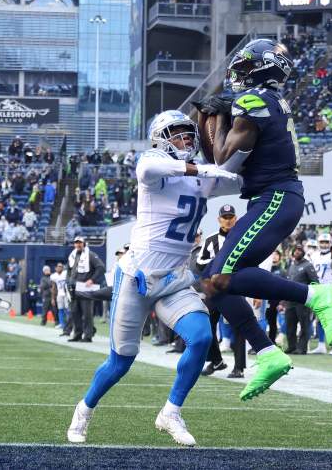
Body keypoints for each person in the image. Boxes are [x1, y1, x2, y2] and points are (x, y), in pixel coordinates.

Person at [68, 110, 241, 446]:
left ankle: (171, 412)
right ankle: (84, 409)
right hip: (137, 277)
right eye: (177, 133)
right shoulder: (155, 165)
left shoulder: (200, 176)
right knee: (120, 362)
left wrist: (239, 145)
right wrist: (202, 168)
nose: (186, 138)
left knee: (201, 338)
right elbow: (147, 168)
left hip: (174, 278)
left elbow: (236, 177)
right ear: (161, 139)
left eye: (189, 133)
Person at [197, 39, 332, 400]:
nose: (239, 74)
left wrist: (216, 117)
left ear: (262, 69)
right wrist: (214, 117)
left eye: (246, 67)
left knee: (219, 276)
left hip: (276, 198)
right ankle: (267, 353)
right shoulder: (267, 99)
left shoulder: (254, 101)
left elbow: (222, 160)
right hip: (272, 199)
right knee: (213, 283)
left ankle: (314, 294)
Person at [198, 205, 237, 377]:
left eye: (230, 217)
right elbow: (199, 263)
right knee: (206, 324)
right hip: (214, 290)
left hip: (236, 287)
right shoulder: (211, 239)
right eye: (225, 217)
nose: (228, 220)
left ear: (235, 218)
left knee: (239, 327)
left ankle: (239, 367)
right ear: (219, 219)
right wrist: (215, 266)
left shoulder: (242, 237)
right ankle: (216, 361)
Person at [66, 236, 103, 343]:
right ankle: (77, 334)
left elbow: (101, 267)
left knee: (87, 313)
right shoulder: (72, 255)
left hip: (85, 288)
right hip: (74, 288)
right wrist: (68, 280)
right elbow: (69, 270)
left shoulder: (90, 255)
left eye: (80, 243)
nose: (78, 244)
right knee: (74, 312)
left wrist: (92, 279)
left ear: (84, 244)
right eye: (76, 243)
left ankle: (88, 335)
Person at [285, 245, 318, 354]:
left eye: (300, 250)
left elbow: (315, 282)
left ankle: (302, 348)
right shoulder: (291, 265)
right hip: (290, 300)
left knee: (304, 325)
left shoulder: (308, 265)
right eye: (295, 250)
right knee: (290, 325)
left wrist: (312, 298)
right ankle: (292, 346)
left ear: (303, 253)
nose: (297, 252)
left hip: (303, 300)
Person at [51, 262, 71, 334]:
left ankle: (69, 324)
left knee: (68, 310)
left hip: (67, 294)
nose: (59, 268)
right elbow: (53, 288)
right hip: (59, 294)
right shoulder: (54, 276)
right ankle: (62, 324)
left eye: (61, 266)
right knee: (60, 309)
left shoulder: (65, 273)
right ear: (56, 268)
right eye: (58, 266)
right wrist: (53, 298)